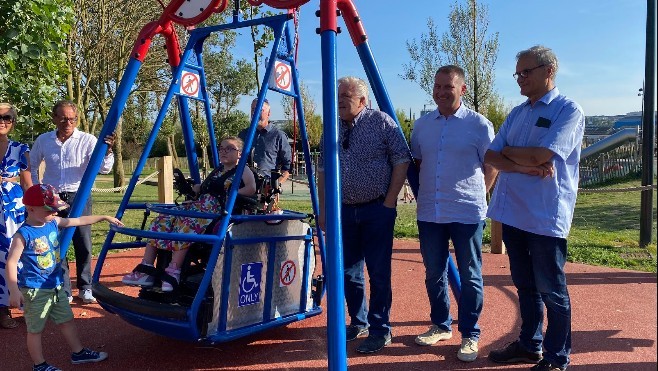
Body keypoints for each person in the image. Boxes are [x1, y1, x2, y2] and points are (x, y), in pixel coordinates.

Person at [485, 46, 585, 371]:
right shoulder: (517, 113)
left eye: (526, 72)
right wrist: (525, 163)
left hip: (544, 217)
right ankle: (530, 346)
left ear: (549, 71)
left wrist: (513, 154)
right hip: (513, 214)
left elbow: (543, 155)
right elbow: (490, 156)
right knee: (525, 286)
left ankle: (557, 358)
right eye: (518, 73)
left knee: (551, 289)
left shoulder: (568, 111)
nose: (520, 79)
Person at [410, 65, 497, 362]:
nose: (440, 92)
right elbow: (419, 163)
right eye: (437, 86)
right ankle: (440, 324)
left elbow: (492, 164)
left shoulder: (480, 125)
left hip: (467, 211)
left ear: (461, 89)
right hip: (430, 211)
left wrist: (478, 193)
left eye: (447, 87)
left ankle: (470, 333)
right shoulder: (422, 126)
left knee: (471, 274)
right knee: (434, 272)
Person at [317, 76, 411, 354]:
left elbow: (401, 159)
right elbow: (322, 171)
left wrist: (391, 200)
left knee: (379, 271)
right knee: (348, 271)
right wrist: (324, 210)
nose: (341, 100)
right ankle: (358, 322)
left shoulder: (381, 122)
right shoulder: (331, 127)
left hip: (376, 208)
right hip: (344, 210)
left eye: (347, 95)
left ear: (362, 100)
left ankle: (381, 328)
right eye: (339, 95)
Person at [6, 184, 123, 371]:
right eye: (49, 210)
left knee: (66, 320)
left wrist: (103, 217)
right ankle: (39, 365)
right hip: (35, 290)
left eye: (55, 210)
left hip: (56, 285)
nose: (54, 213)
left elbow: (78, 220)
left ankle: (78, 352)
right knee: (35, 329)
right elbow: (11, 262)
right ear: (31, 209)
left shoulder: (53, 222)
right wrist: (13, 289)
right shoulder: (23, 234)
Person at [122, 136, 256, 291]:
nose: (224, 151)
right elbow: (206, 188)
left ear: (239, 153)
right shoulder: (219, 169)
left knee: (186, 224)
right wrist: (194, 187)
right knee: (162, 219)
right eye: (222, 148)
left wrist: (232, 195)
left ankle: (174, 270)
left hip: (216, 211)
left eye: (230, 148)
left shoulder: (242, 169)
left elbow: (251, 188)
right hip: (200, 206)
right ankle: (146, 268)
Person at [30, 100, 115, 304]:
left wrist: (109, 151)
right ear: (54, 118)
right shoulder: (44, 140)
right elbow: (32, 165)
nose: (68, 122)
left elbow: (104, 169)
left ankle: (85, 286)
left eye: (72, 118)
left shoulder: (87, 139)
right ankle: (64, 288)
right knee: (56, 243)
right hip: (53, 198)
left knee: (83, 242)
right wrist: (38, 189)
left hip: (79, 195)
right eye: (64, 118)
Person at [0, 103, 33, 329]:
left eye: (7, 117)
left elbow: (27, 183)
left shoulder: (21, 149)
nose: (2, 121)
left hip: (12, 212)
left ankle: (9, 308)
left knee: (12, 257)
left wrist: (38, 210)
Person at [238, 98, 292, 207]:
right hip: (243, 189)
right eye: (253, 109)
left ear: (269, 113)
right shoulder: (243, 135)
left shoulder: (278, 135)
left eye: (260, 110)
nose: (255, 112)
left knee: (266, 222)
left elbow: (288, 167)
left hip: (266, 191)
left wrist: (275, 185)